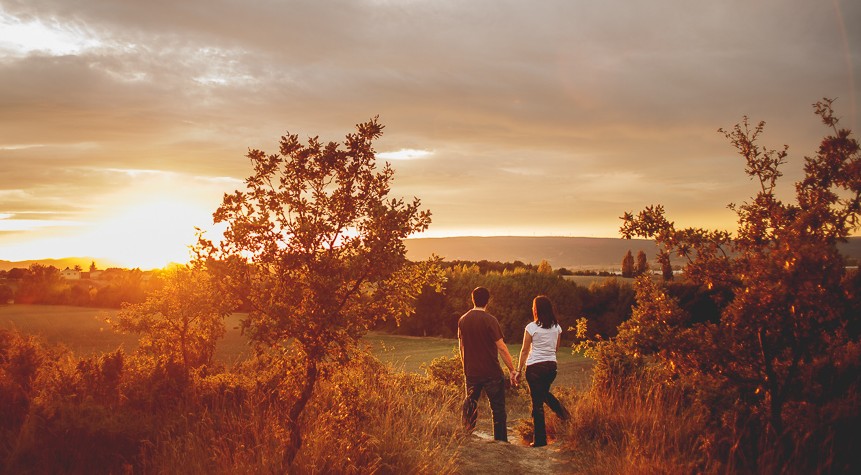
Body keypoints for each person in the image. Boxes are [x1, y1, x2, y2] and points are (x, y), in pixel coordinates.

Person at [458, 286, 518, 442]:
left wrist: (466, 366)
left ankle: (466, 436)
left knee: (470, 404)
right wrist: (512, 369)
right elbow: (502, 348)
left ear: (473, 299)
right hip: (491, 372)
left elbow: (461, 346)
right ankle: (501, 441)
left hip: (471, 372)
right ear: (487, 301)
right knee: (498, 409)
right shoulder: (491, 320)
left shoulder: (462, 319)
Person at [515, 295, 569, 447]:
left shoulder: (531, 327)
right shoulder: (557, 327)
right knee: (543, 395)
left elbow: (525, 350)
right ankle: (564, 415)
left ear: (536, 310)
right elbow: (556, 348)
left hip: (534, 369)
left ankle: (540, 440)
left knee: (537, 403)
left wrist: (518, 370)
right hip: (551, 367)